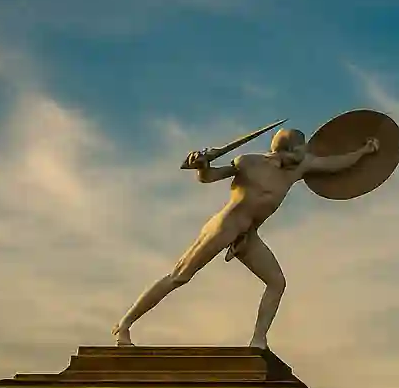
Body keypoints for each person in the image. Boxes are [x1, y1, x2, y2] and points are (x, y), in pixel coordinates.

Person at [112, 127, 377, 351]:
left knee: (276, 282)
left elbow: (334, 164)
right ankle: (124, 325)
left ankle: (258, 341)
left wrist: (364, 152)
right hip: (226, 225)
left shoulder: (300, 167)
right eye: (301, 149)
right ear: (287, 149)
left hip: (248, 235)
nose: (306, 154)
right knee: (180, 276)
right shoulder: (248, 162)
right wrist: (202, 165)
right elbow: (210, 177)